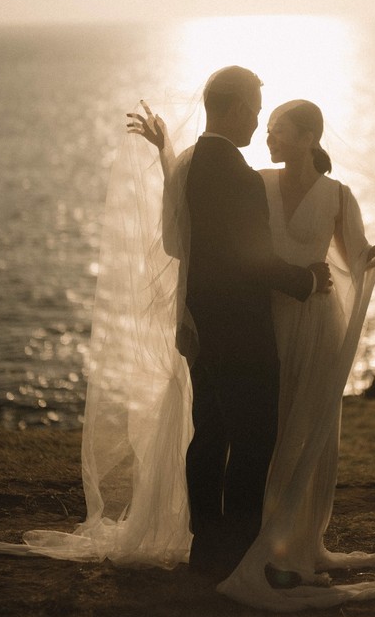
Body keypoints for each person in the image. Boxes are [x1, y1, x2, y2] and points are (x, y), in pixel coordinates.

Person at [131, 93, 375, 610]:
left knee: (297, 432)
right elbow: (202, 216)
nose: (267, 134)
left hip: (313, 325)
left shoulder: (338, 196)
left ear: (309, 138)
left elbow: (360, 258)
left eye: (278, 129)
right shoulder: (255, 181)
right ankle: (251, 548)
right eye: (265, 125)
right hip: (263, 318)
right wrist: (165, 151)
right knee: (259, 435)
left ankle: (283, 544)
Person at [129, 67, 332, 580]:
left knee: (209, 436)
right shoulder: (241, 178)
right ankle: (243, 559)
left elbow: (176, 243)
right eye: (257, 112)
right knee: (253, 441)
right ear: (238, 108)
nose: (258, 122)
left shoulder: (188, 164)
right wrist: (307, 279)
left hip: (201, 326)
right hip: (243, 331)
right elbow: (255, 261)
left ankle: (207, 549)